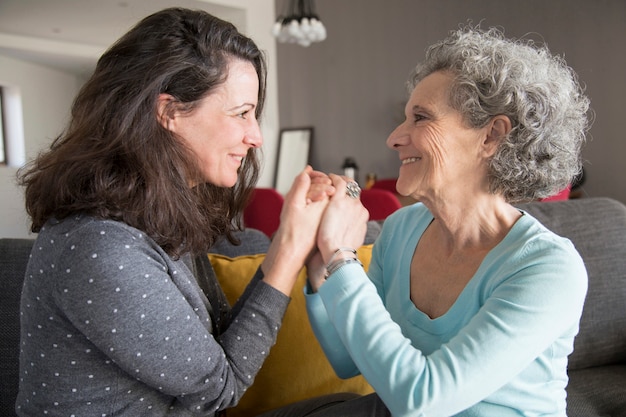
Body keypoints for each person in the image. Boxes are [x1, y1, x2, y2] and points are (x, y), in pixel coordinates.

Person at [14, 7, 346, 417]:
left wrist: (288, 242)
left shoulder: (152, 216)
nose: (256, 136)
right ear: (170, 112)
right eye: (242, 113)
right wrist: (291, 248)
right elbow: (220, 388)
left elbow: (218, 342)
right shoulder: (100, 248)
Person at [304, 26, 591, 416]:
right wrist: (321, 260)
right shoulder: (402, 229)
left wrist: (342, 259)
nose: (393, 138)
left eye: (420, 118)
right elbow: (347, 360)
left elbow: (423, 400)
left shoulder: (548, 268)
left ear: (491, 136)